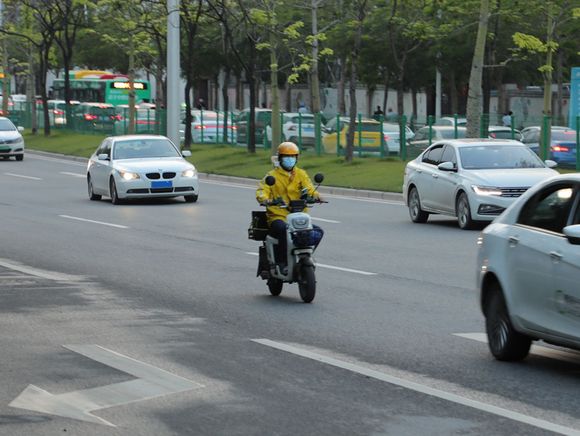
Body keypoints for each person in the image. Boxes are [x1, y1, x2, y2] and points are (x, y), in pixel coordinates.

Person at [256, 142, 324, 269]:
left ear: (297, 158)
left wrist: (316, 196)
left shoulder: (301, 174)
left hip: (298, 216)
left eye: (293, 157)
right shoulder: (271, 176)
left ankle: (306, 255)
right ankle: (282, 263)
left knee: (318, 231)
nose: (290, 159)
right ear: (280, 158)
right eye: (287, 157)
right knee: (282, 230)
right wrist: (267, 200)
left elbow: (309, 189)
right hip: (278, 216)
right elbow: (261, 191)